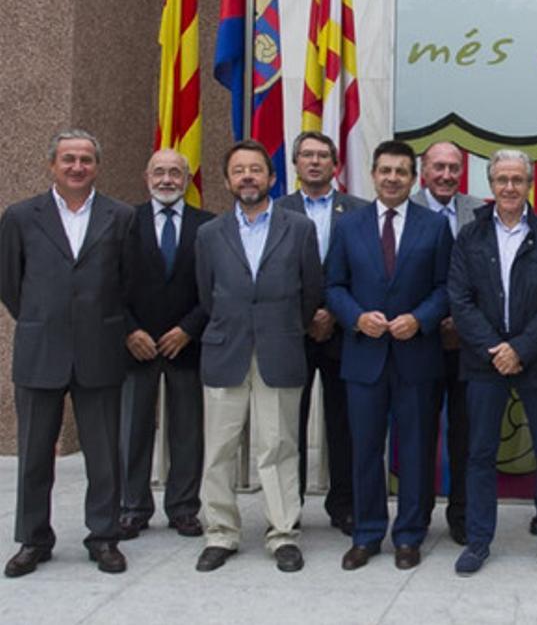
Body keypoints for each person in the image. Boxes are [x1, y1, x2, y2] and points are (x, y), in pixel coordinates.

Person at [0, 129, 136, 576]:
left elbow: (128, 281)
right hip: (41, 350)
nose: (77, 167)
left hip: (100, 349)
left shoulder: (120, 216)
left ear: (97, 166)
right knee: (35, 453)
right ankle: (33, 539)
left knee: (103, 455)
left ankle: (103, 536)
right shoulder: (21, 216)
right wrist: (44, 318)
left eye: (85, 160)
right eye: (68, 160)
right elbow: (10, 283)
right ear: (52, 165)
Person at [193, 139, 323, 573]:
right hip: (225, 350)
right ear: (228, 180)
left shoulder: (299, 228)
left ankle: (282, 534)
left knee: (279, 446)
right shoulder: (209, 234)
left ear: (271, 178)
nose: (247, 177)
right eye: (238, 170)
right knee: (219, 450)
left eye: (256, 169)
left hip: (280, 348)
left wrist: (282, 326)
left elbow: (310, 293)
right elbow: (207, 295)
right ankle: (221, 533)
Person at [447, 149, 537, 577]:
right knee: (480, 453)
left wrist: (520, 348)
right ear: (491, 184)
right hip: (485, 363)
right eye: (501, 179)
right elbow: (461, 300)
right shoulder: (471, 236)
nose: (508, 187)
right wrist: (496, 348)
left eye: (517, 180)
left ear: (530, 184)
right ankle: (479, 541)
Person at [325, 140, 453, 571]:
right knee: (364, 450)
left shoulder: (434, 227)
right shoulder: (348, 226)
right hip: (364, 356)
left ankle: (410, 535)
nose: (393, 178)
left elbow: (445, 289)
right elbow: (334, 287)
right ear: (374, 174)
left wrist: (420, 319)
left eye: (401, 171)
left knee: (416, 450)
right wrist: (356, 318)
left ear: (413, 178)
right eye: (385, 171)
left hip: (416, 356)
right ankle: (367, 533)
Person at [119, 149, 214, 540]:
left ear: (188, 179)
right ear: (146, 177)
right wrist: (129, 331)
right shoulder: (124, 223)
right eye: (159, 172)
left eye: (176, 172)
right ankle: (133, 507)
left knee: (188, 431)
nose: (167, 179)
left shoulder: (207, 227)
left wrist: (189, 328)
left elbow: (216, 287)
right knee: (133, 429)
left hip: (187, 344)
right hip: (135, 345)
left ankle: (183, 508)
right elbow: (107, 283)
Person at [277, 131, 368, 536]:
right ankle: (287, 505)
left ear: (335, 165)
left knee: (343, 424)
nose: (314, 162)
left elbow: (363, 274)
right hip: (291, 334)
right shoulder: (276, 210)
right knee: (287, 426)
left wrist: (332, 311)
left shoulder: (359, 212)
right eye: (307, 155)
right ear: (295, 164)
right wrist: (306, 315)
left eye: (322, 156)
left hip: (343, 332)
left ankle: (344, 504)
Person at [411, 141, 484, 546]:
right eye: (438, 167)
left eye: (453, 168)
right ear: (424, 170)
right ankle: (417, 515)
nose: (446, 175)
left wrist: (464, 321)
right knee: (419, 435)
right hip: (418, 342)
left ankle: (462, 515)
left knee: (465, 435)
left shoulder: (479, 211)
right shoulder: (405, 210)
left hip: (469, 345)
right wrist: (430, 319)